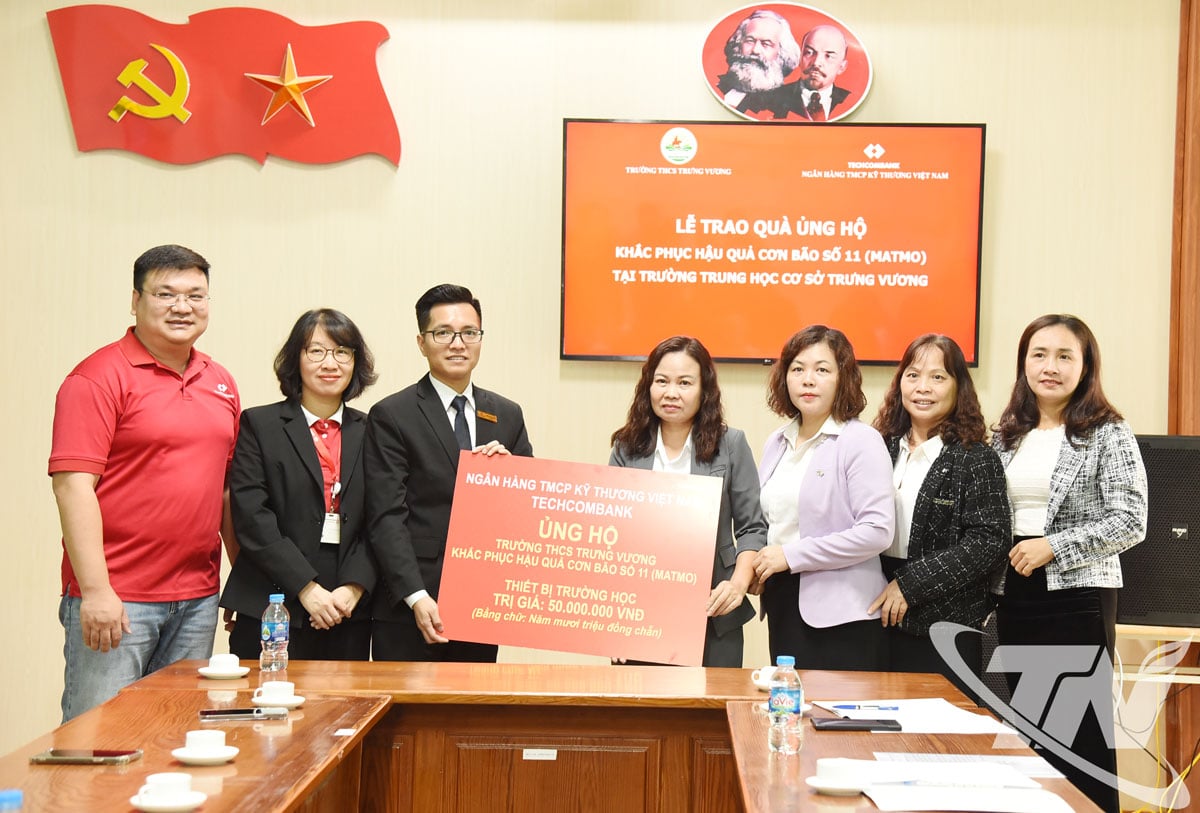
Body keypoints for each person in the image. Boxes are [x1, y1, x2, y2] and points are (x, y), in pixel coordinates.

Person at [48, 244, 239, 721]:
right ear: (135, 300)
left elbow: (225, 491)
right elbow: (73, 487)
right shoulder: (96, 378)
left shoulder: (219, 381)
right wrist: (95, 591)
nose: (183, 307)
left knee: (176, 737)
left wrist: (242, 582)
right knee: (97, 740)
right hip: (118, 599)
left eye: (196, 295)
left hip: (197, 598)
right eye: (166, 294)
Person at [992, 314, 1147, 813]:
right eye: (1039, 355)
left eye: (1064, 356)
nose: (1050, 367)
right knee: (1031, 740)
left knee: (1078, 742)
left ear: (1085, 367)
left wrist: (1054, 545)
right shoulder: (1007, 434)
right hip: (1017, 597)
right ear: (1024, 364)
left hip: (1076, 595)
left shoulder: (1108, 432)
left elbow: (1130, 520)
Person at [366, 284, 533, 662]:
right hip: (413, 606)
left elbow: (527, 509)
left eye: (469, 333)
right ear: (422, 342)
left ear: (480, 339)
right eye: (443, 333)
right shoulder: (393, 414)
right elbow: (385, 516)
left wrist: (512, 476)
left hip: (482, 603)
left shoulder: (507, 414)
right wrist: (415, 595)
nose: (458, 343)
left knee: (474, 716)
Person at [220, 309, 379, 661]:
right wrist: (305, 588)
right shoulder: (260, 424)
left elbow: (383, 519)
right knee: (262, 709)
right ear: (296, 359)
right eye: (316, 351)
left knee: (342, 712)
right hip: (272, 592)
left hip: (348, 602)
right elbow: (251, 516)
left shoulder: (374, 431)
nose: (331, 363)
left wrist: (354, 588)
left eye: (342, 352)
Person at [608, 336, 767, 667]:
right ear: (647, 386)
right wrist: (615, 623)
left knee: (710, 713)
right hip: (641, 613)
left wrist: (737, 585)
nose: (671, 393)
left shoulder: (731, 444)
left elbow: (752, 527)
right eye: (661, 381)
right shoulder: (626, 448)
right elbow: (615, 534)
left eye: (684, 383)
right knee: (645, 715)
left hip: (714, 606)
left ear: (704, 390)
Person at [869, 334, 1010, 697]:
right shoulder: (877, 447)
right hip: (874, 618)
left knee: (939, 745)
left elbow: (988, 541)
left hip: (945, 626)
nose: (922, 388)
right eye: (913, 375)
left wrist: (910, 585)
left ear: (958, 387)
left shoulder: (976, 457)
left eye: (938, 377)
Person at [751, 325, 894, 669]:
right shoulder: (777, 441)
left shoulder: (860, 440)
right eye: (797, 369)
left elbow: (877, 531)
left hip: (842, 616)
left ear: (843, 378)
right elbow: (772, 521)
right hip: (784, 600)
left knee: (835, 720)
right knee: (789, 713)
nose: (808, 379)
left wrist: (791, 555)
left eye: (822, 369)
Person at [756, 24, 851, 121]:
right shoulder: (767, 100)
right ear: (800, 58)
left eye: (828, 56)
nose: (816, 62)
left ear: (842, 67)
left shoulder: (850, 101)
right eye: (809, 52)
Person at [715, 9, 801, 113]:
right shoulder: (717, 87)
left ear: (782, 53)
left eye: (766, 44)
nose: (755, 50)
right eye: (750, 41)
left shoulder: (788, 106)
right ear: (738, 45)